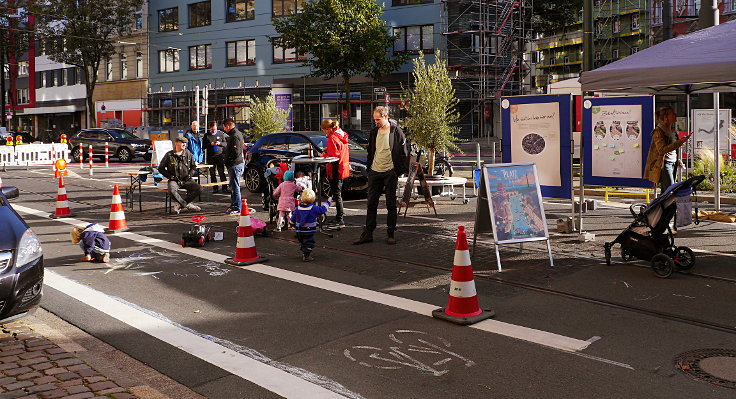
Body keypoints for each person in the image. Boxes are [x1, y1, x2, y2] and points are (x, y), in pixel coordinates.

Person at [354, 106, 410, 245]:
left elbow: (404, 152)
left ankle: (391, 233)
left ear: (386, 117)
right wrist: (370, 167)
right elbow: (371, 150)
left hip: (390, 172)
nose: (376, 122)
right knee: (371, 203)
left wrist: (398, 170)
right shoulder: (374, 132)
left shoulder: (396, 131)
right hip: (375, 171)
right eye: (374, 120)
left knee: (391, 204)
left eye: (378, 119)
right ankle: (368, 233)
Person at [644, 106, 691, 194]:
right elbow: (662, 150)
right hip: (665, 164)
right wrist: (680, 142)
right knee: (670, 190)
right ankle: (665, 207)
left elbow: (673, 148)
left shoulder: (672, 130)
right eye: (672, 113)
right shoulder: (659, 131)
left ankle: (664, 207)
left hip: (673, 162)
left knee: (667, 191)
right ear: (666, 117)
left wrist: (678, 159)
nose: (675, 115)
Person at [159, 136, 202, 213]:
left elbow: (193, 166)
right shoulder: (169, 155)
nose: (184, 145)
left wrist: (190, 175)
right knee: (171, 190)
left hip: (186, 179)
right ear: (176, 143)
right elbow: (161, 168)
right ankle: (186, 204)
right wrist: (170, 176)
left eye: (185, 143)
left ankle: (181, 205)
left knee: (199, 188)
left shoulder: (188, 153)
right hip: (174, 180)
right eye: (182, 143)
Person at [322, 119, 350, 228]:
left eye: (324, 130)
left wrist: (323, 155)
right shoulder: (340, 134)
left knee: (337, 195)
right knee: (337, 194)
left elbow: (333, 156)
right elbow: (339, 150)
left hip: (335, 169)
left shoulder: (332, 137)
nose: (324, 133)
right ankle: (339, 218)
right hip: (342, 168)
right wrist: (327, 149)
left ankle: (340, 220)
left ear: (328, 129)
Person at [291, 189, 331, 262]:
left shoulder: (298, 208)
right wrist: (328, 202)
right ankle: (306, 255)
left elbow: (293, 218)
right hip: (309, 230)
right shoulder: (314, 208)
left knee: (302, 242)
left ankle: (304, 252)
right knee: (309, 242)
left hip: (299, 230)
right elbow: (323, 209)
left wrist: (292, 223)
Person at [222, 118, 245, 215]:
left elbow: (236, 152)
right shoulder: (237, 134)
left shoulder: (234, 136)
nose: (224, 129)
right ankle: (234, 204)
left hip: (235, 164)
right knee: (234, 186)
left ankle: (237, 206)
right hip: (236, 163)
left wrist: (228, 160)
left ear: (227, 126)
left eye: (224, 127)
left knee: (235, 186)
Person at [203, 121, 229, 193]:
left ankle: (224, 187)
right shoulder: (206, 135)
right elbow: (204, 146)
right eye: (212, 129)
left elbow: (225, 143)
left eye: (214, 129)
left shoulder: (220, 134)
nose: (213, 131)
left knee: (221, 172)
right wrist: (210, 144)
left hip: (219, 155)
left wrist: (219, 143)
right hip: (211, 157)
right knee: (212, 173)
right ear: (209, 128)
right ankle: (215, 188)